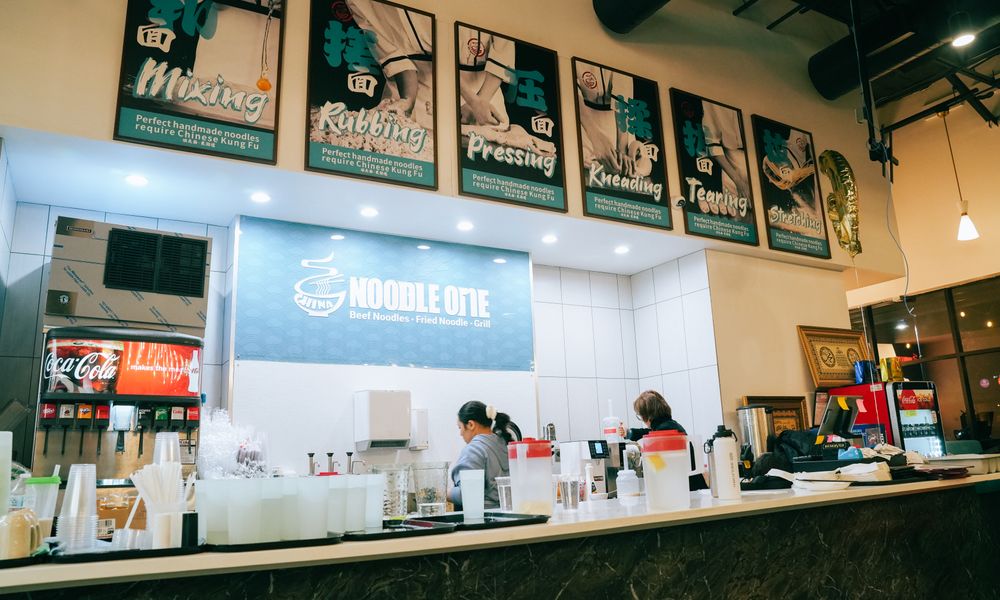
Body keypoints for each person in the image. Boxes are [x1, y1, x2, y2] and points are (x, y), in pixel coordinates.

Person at [627, 390, 709, 491]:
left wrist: (646, 452)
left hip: (683, 490)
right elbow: (648, 432)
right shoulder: (672, 425)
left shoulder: (663, 432)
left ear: (647, 416)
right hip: (694, 486)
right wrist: (629, 433)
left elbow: (660, 468)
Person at [449, 401, 515, 509]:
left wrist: (440, 494)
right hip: (506, 517)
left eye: (460, 427)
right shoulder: (504, 443)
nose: (460, 433)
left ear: (471, 424)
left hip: (484, 520)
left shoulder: (474, 449)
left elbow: (467, 494)